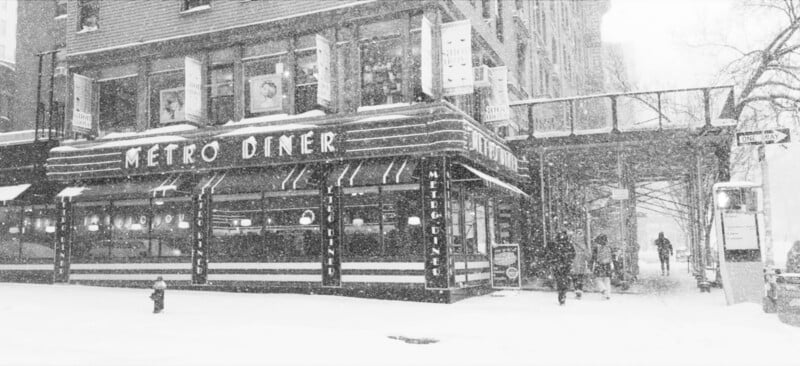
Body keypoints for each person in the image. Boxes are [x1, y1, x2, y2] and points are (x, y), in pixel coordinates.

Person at [546, 231, 576, 305]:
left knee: (560, 280)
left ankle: (562, 294)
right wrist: (568, 259)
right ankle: (563, 293)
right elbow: (573, 254)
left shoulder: (555, 244)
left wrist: (553, 261)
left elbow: (549, 254)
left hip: (558, 265)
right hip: (565, 265)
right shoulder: (568, 244)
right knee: (564, 280)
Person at [591, 234, 613, 300]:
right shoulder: (609, 247)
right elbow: (612, 256)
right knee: (607, 280)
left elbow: (593, 257)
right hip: (607, 265)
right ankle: (608, 294)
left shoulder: (596, 248)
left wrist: (591, 264)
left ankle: (603, 290)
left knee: (598, 279)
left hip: (599, 265)